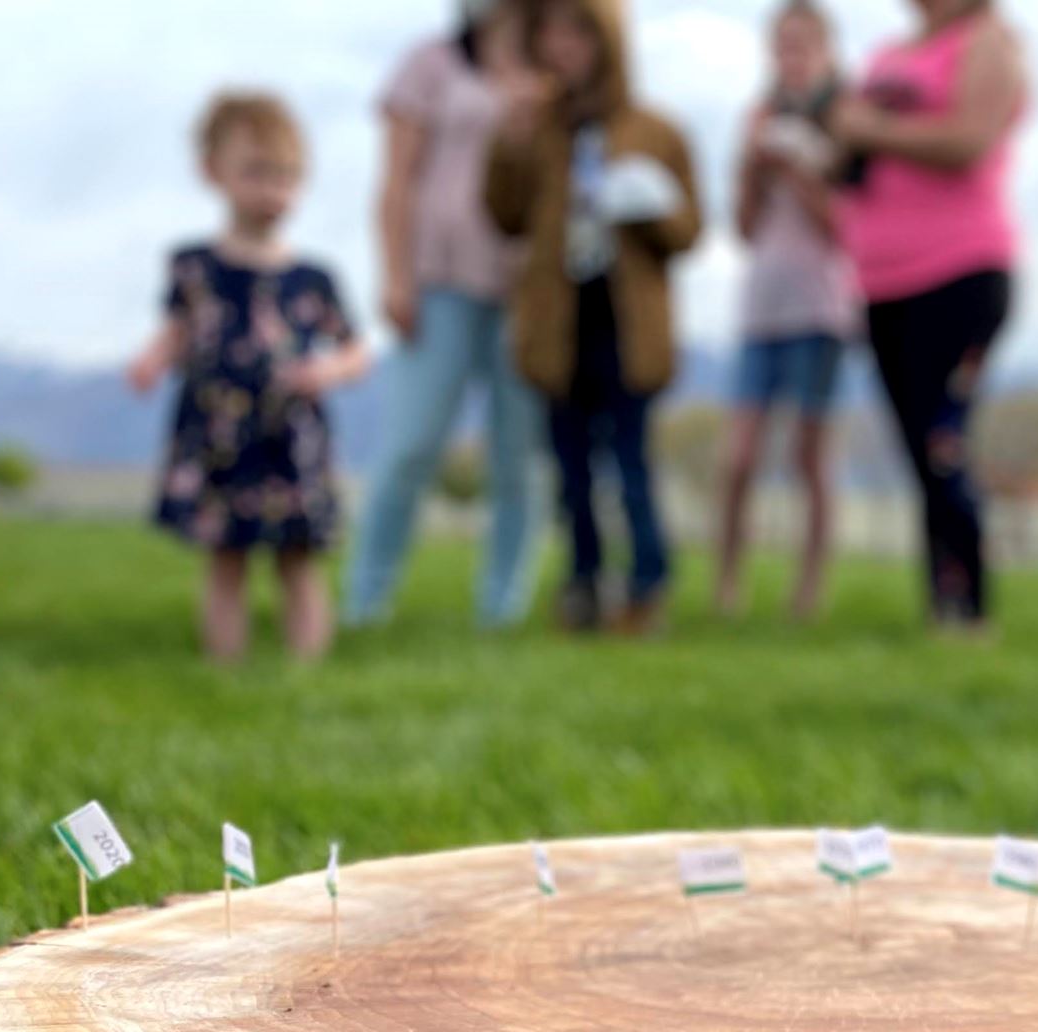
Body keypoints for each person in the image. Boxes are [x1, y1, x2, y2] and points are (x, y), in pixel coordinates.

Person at [130, 92, 371, 663]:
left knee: (298, 556)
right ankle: (225, 665)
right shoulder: (195, 267)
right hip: (219, 433)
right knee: (225, 555)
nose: (273, 191)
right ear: (213, 171)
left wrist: (327, 370)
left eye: (287, 177)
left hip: (288, 434)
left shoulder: (312, 278)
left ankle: (306, 666)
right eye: (257, 173)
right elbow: (178, 329)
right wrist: (152, 360)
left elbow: (357, 351)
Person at [486, 0, 701, 636]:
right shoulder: (538, 130)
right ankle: (583, 583)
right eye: (549, 30)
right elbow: (502, 214)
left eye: (577, 29)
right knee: (571, 464)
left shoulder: (655, 131)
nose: (562, 44)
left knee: (631, 461)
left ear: (606, 41)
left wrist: (646, 206)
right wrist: (511, 139)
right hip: (560, 321)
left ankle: (646, 585)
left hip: (626, 320)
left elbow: (688, 230)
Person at [343, 1, 550, 633]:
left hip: (526, 290)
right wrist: (396, 273)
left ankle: (502, 608)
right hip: (440, 281)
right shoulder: (429, 65)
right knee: (410, 446)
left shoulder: (555, 70)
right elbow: (397, 178)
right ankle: (365, 601)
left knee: (518, 458)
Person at [831, 0, 1027, 638]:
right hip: (881, 280)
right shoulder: (888, 55)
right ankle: (943, 606)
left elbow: (970, 139)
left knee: (944, 442)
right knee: (919, 448)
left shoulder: (987, 40)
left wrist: (870, 132)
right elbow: (848, 159)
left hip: (962, 271)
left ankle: (969, 609)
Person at [714, 0, 858, 623]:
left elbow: (845, 231)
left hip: (822, 308)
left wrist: (802, 167)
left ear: (826, 52)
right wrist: (752, 167)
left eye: (802, 46)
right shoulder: (757, 119)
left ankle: (809, 589)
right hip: (760, 308)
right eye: (781, 46)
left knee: (810, 455)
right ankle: (727, 585)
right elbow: (744, 229)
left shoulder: (849, 124)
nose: (789, 59)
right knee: (739, 455)